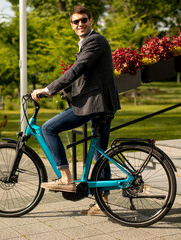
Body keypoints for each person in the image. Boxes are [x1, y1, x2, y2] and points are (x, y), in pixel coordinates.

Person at [31, 6, 120, 194]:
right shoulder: (89, 43)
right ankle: (103, 202)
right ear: (71, 25)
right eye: (76, 21)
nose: (80, 24)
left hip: (95, 104)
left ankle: (65, 178)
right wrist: (59, 91)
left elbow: (77, 70)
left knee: (48, 128)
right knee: (100, 154)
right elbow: (83, 76)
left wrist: (48, 89)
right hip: (101, 104)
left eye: (84, 20)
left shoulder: (95, 41)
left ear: (91, 21)